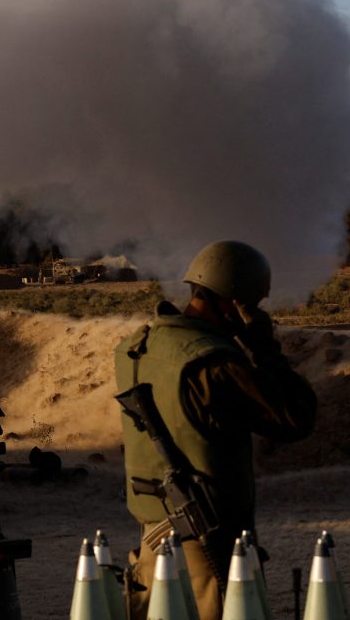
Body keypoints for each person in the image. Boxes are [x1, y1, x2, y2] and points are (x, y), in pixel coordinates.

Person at [115, 240, 317, 620]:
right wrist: (263, 348)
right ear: (233, 305)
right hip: (205, 550)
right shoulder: (212, 364)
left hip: (150, 537)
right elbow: (295, 417)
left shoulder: (136, 347)